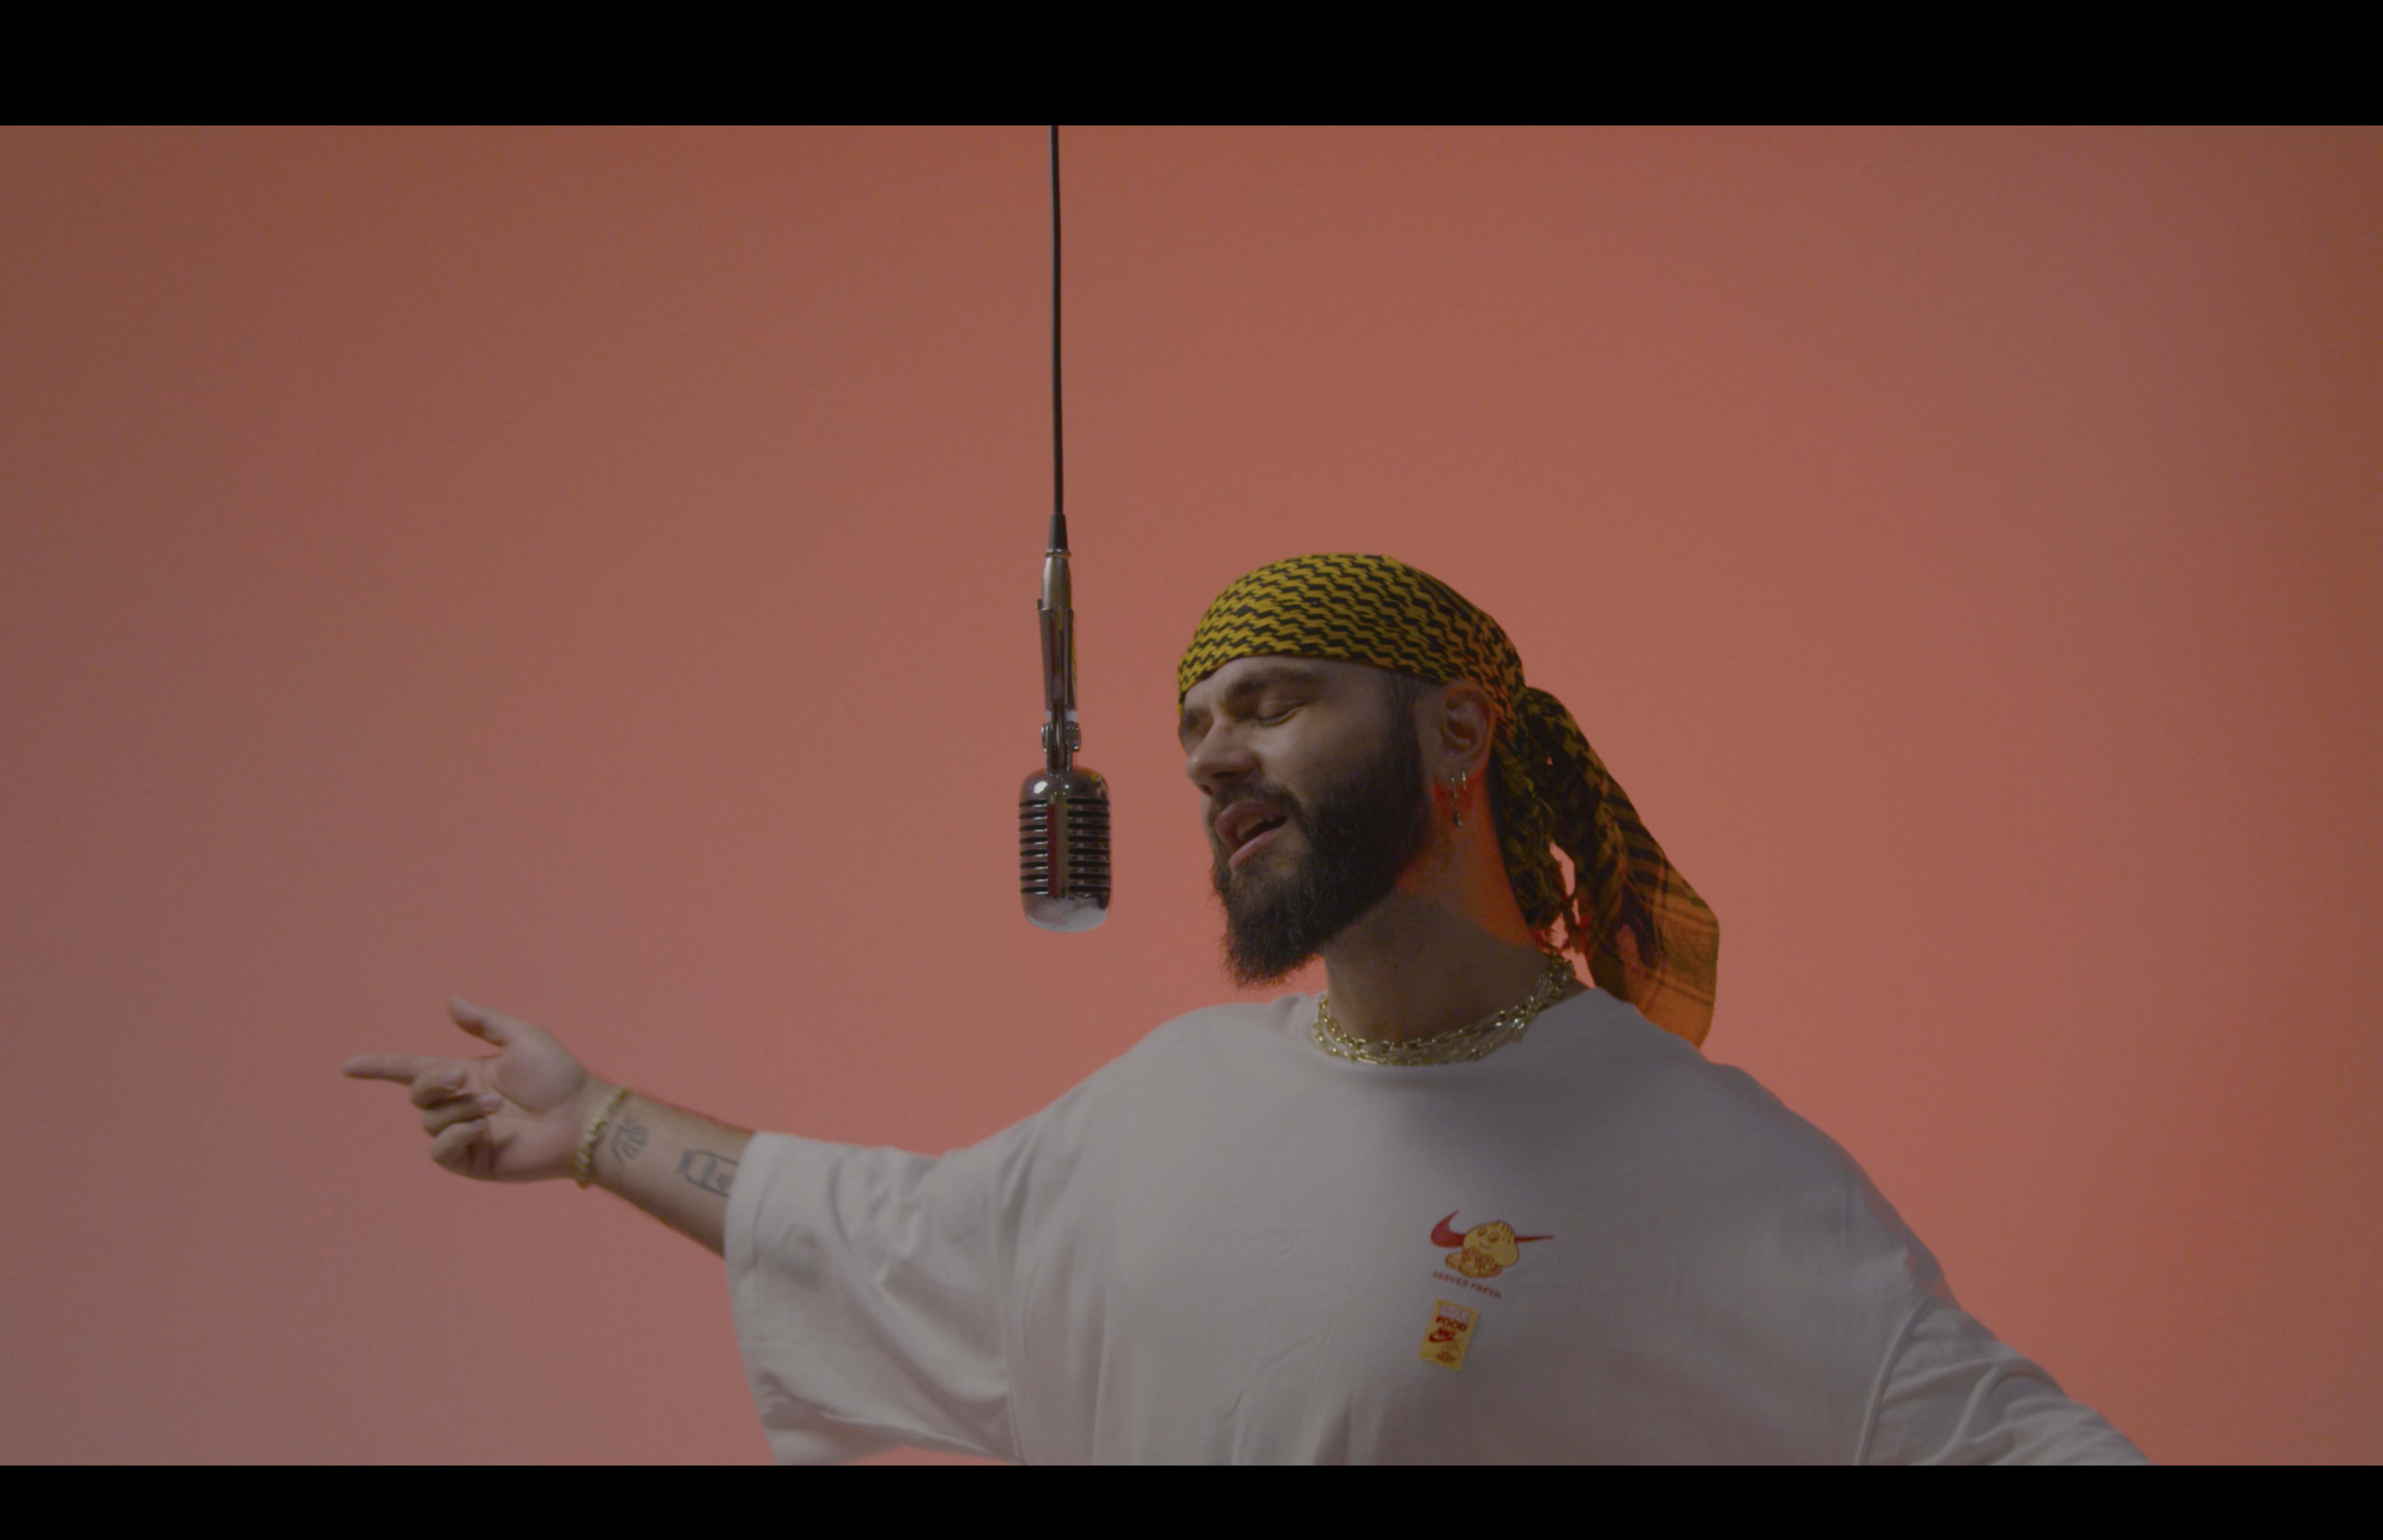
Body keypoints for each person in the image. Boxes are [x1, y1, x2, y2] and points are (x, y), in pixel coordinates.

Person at [345, 552, 2147, 1464]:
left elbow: (1981, 1437)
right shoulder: (1163, 1101)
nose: (1210, 754)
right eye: (1196, 722)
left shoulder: (1693, 1154)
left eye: (1273, 701)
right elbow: (882, 1231)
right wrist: (594, 1125)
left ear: (1456, 732)